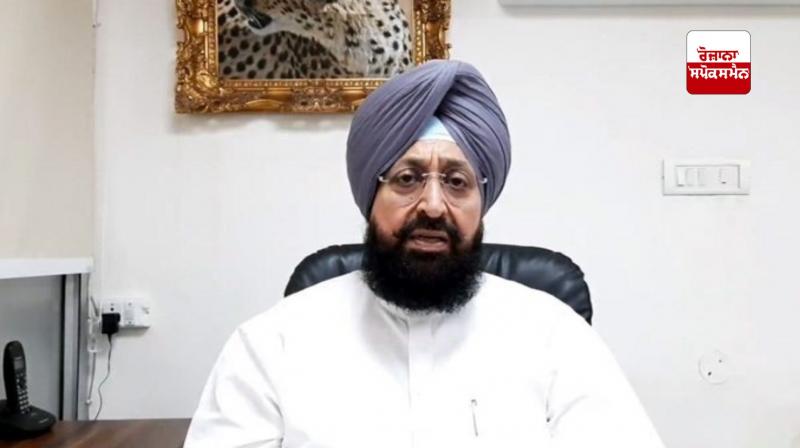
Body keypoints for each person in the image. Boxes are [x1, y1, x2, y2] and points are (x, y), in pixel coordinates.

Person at [184, 59, 665, 447]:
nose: (433, 205)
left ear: (481, 202)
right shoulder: (273, 344)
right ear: (371, 197)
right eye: (407, 179)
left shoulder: (554, 335)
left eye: (456, 182)